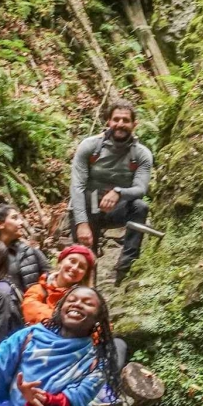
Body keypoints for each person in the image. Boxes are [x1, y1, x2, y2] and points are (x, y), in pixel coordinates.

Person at [69, 103, 155, 283]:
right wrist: (82, 223)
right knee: (85, 257)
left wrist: (118, 192)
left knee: (140, 207)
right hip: (89, 206)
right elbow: (77, 186)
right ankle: (85, 289)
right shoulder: (90, 146)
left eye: (125, 120)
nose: (120, 124)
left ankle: (126, 269)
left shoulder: (141, 154)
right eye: (116, 119)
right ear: (109, 122)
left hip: (116, 208)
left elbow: (141, 189)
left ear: (134, 124)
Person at [0, 203, 47, 294]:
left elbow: (49, 278)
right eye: (14, 218)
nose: (21, 223)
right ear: (0, 224)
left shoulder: (29, 251)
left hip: (33, 305)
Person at [22, 243, 95, 325]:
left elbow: (97, 325)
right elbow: (30, 308)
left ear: (85, 275)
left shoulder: (87, 299)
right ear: (60, 262)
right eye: (72, 261)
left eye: (81, 267)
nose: (75, 268)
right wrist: (68, 322)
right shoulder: (39, 289)